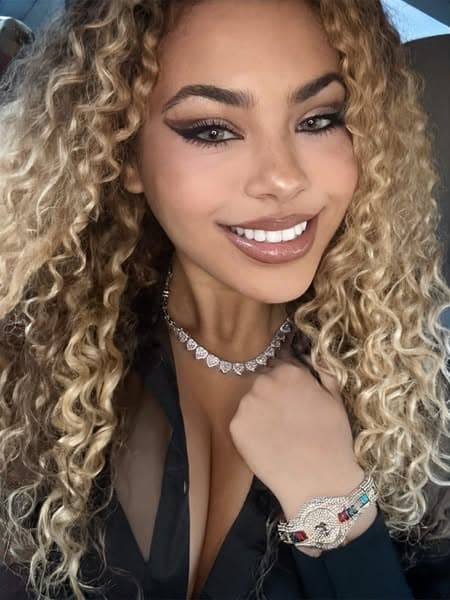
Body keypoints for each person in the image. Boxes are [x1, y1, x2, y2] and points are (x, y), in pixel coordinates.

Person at [0, 0, 449, 598]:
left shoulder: (419, 405)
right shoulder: (26, 364)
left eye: (319, 119)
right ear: (123, 151)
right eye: (212, 130)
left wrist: (339, 512)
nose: (283, 178)